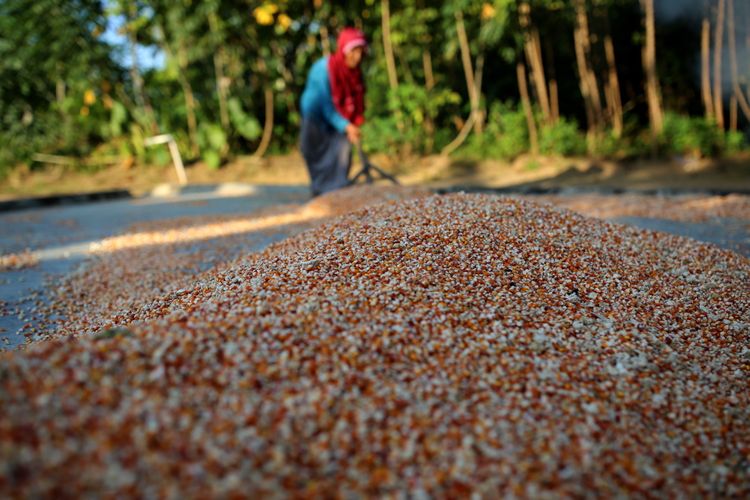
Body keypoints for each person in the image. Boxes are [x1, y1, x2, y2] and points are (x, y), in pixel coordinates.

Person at [299, 27, 367, 197]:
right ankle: (321, 192)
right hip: (315, 116)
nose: (357, 57)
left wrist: (354, 123)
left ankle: (337, 192)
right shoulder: (323, 70)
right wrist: (346, 126)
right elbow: (325, 105)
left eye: (360, 52)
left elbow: (357, 99)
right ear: (344, 49)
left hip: (339, 118)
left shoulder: (355, 73)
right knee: (315, 154)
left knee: (341, 153)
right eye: (354, 51)